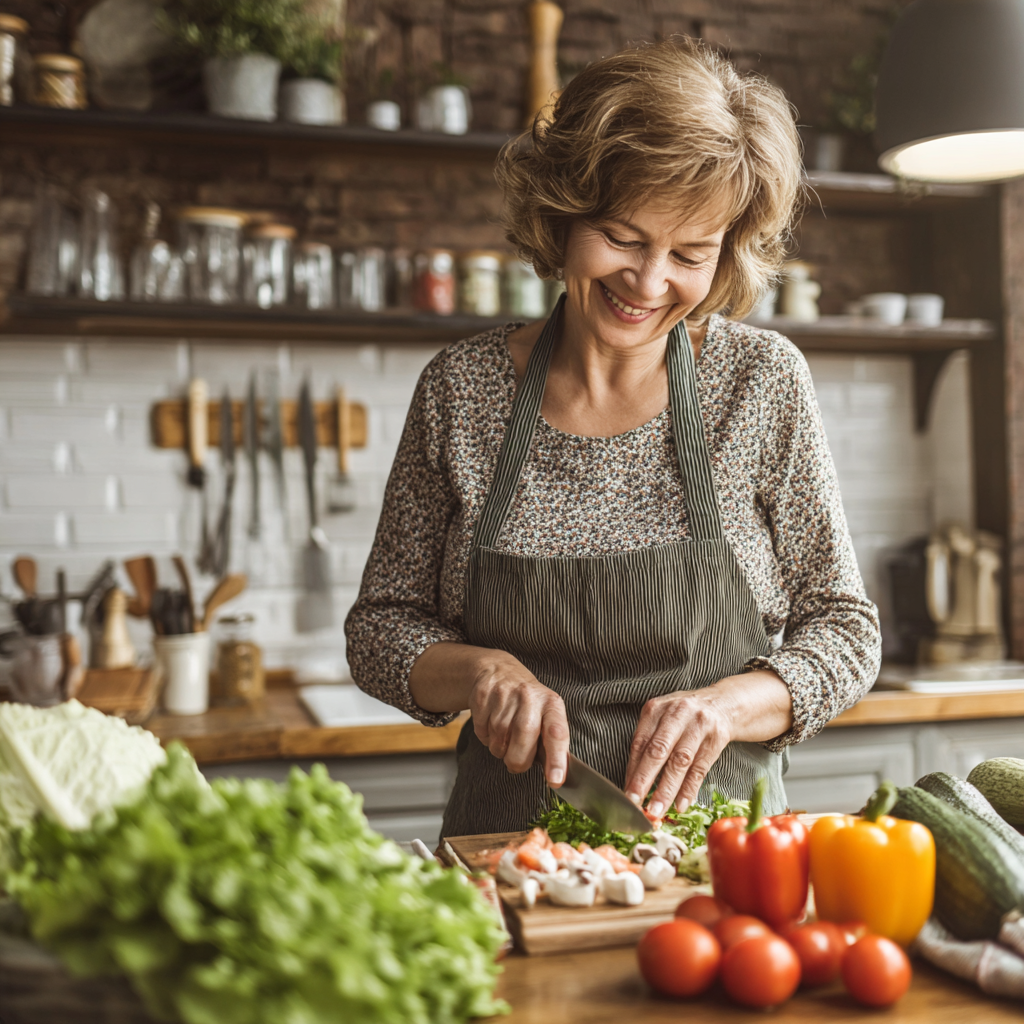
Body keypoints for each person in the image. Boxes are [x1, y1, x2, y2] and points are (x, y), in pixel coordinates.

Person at [345, 38, 881, 837]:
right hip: (509, 857)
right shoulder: (462, 391)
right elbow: (381, 627)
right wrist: (478, 673)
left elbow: (844, 627)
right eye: (624, 238)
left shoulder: (759, 383)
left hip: (722, 862)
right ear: (562, 214)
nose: (650, 281)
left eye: (690, 254)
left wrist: (736, 702)